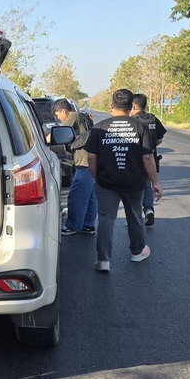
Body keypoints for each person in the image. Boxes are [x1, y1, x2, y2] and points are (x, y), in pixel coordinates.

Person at [85, 89, 162, 273]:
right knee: (135, 215)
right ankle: (137, 251)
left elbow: (91, 158)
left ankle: (103, 260)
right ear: (131, 106)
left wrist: (97, 178)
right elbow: (147, 157)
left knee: (106, 219)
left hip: (106, 182)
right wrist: (155, 182)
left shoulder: (99, 127)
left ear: (112, 105)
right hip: (134, 182)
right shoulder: (140, 127)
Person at [54, 100, 97, 236]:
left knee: (76, 196)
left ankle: (72, 226)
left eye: (58, 115)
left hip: (84, 163)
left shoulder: (73, 116)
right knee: (90, 196)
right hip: (91, 162)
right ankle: (88, 225)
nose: (58, 118)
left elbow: (60, 132)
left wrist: (43, 141)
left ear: (64, 111)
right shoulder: (83, 116)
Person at [131, 93, 167, 226]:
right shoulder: (153, 119)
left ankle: (134, 216)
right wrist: (149, 146)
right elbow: (160, 139)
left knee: (132, 188)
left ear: (133, 106)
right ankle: (148, 210)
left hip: (133, 160)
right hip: (150, 158)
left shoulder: (131, 121)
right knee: (146, 185)